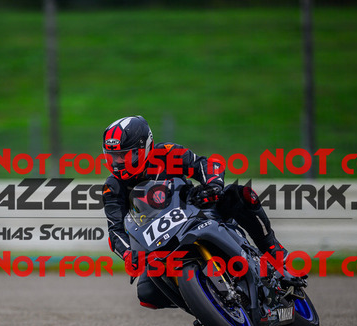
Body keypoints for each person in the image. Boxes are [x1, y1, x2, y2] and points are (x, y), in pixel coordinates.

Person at [101, 115, 294, 310]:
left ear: (145, 147)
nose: (118, 162)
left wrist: (213, 185)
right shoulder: (112, 187)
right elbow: (115, 230)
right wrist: (128, 253)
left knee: (240, 195)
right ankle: (204, 304)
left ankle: (275, 253)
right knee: (147, 294)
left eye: (124, 155)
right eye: (112, 156)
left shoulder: (167, 153)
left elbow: (206, 165)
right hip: (159, 241)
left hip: (196, 211)